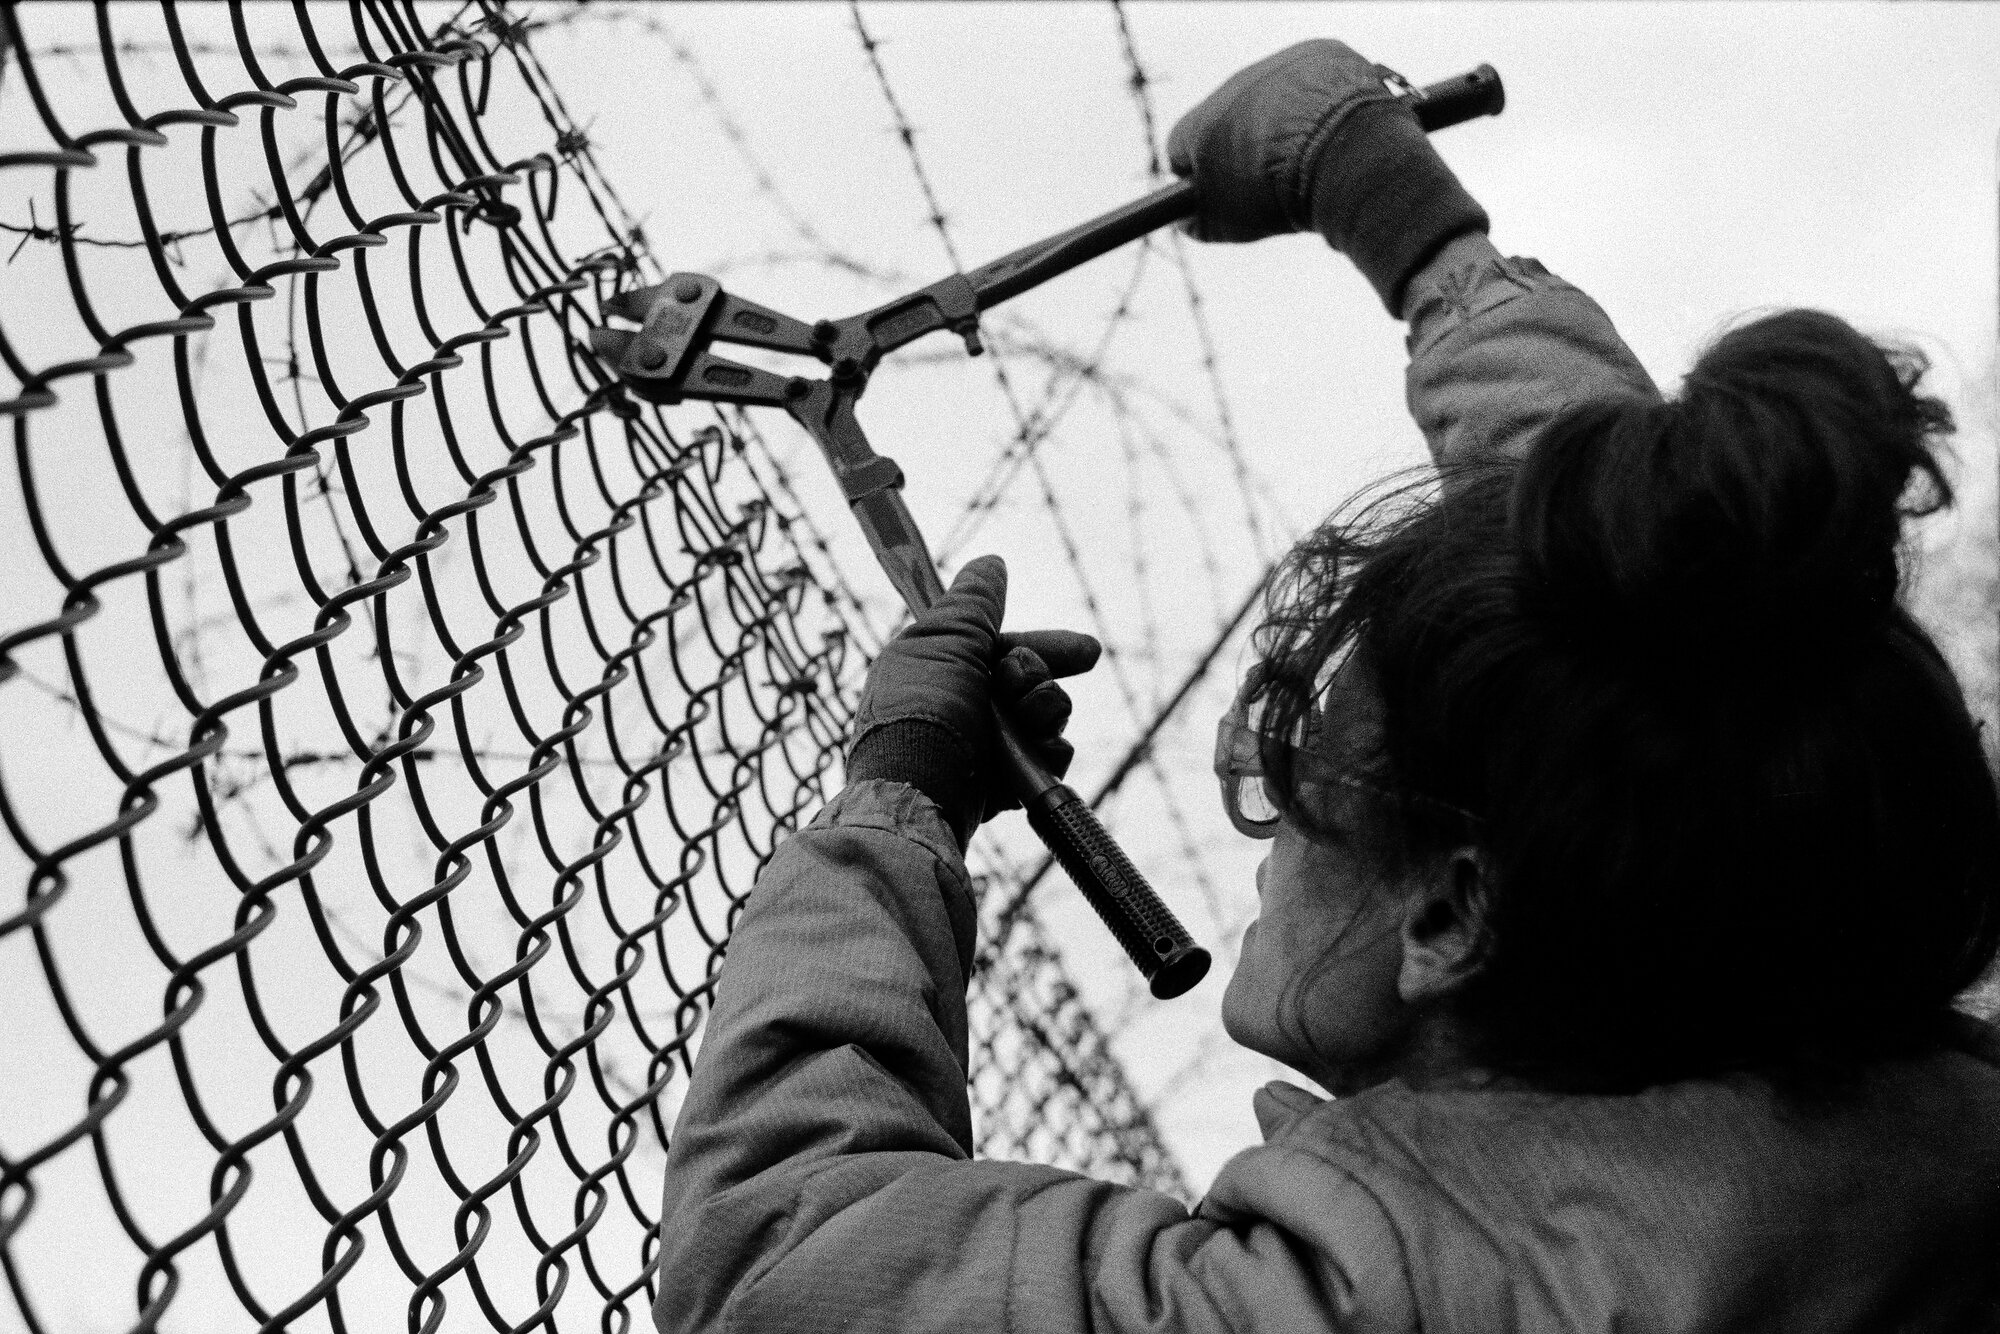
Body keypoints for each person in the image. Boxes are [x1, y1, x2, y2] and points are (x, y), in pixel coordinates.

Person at [652, 39, 2000, 1333]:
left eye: (1305, 783)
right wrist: (1409, 221)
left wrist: (892, 805)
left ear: (1455, 906)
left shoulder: (1383, 1302)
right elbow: (1676, 624)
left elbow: (783, 1260)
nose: (1271, 827)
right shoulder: (1900, 1109)